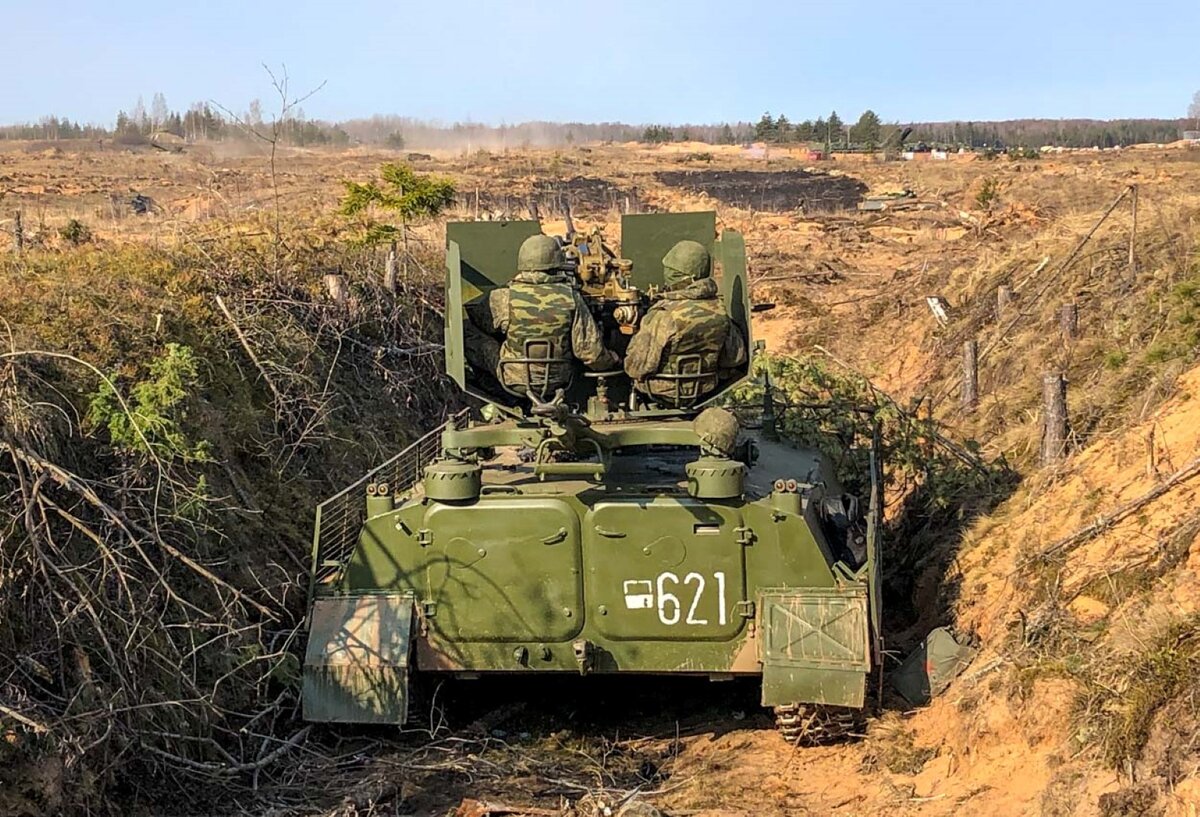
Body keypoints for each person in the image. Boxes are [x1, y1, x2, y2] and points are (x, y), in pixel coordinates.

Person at [465, 234, 618, 398]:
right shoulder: (572, 298)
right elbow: (590, 352)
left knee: (468, 331)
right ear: (558, 263)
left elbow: (478, 320)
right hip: (560, 381)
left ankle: (484, 385)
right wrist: (613, 360)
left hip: (512, 379)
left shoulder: (504, 296)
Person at [624, 240, 747, 406]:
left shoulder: (664, 315)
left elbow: (636, 367)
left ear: (679, 275)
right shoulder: (719, 310)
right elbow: (735, 358)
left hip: (660, 390)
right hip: (706, 389)